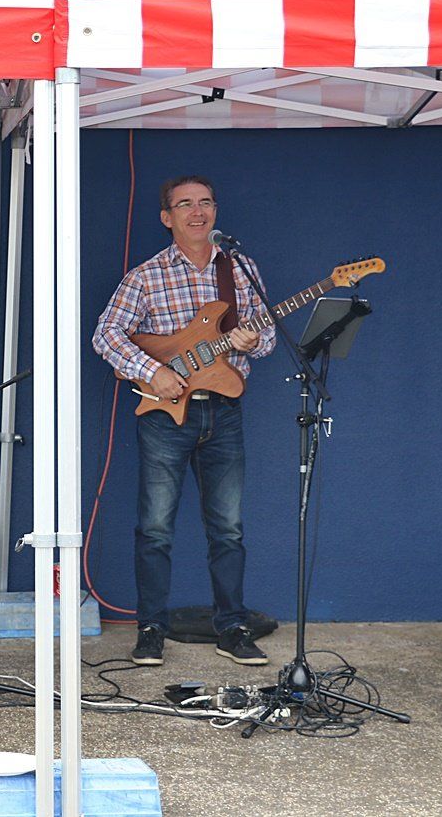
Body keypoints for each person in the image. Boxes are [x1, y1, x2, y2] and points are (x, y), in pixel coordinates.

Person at [92, 176, 276, 668]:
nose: (198, 212)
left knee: (228, 528)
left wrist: (252, 340)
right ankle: (151, 629)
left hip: (225, 413)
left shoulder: (239, 269)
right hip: (166, 416)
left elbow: (268, 338)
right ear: (166, 217)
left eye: (206, 203)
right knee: (155, 528)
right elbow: (106, 334)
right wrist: (153, 371)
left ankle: (232, 628)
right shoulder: (146, 276)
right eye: (185, 204)